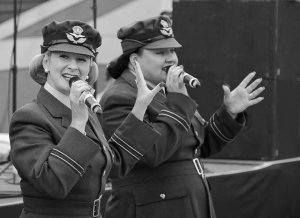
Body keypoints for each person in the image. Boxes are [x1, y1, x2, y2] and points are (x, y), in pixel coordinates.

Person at [7, 20, 187, 218]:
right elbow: (52, 183)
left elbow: (115, 164)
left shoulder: (85, 110)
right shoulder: (29, 117)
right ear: (46, 62)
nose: (73, 67)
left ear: (90, 66)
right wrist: (77, 124)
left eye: (82, 59)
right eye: (64, 56)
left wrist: (139, 108)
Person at [100, 15, 265, 218]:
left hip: (187, 206)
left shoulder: (168, 90)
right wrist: (178, 102)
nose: (171, 58)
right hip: (153, 210)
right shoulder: (119, 97)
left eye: (172, 50)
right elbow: (149, 154)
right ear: (134, 59)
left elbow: (196, 146)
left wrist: (228, 113)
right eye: (160, 52)